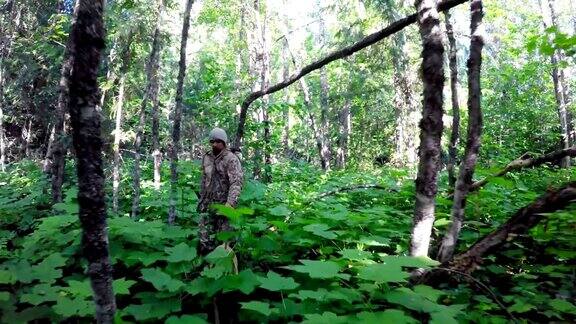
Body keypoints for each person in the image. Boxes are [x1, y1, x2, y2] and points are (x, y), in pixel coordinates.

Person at [197, 127, 243, 256]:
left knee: (224, 239)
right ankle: (206, 264)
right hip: (208, 203)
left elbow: (236, 183)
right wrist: (201, 199)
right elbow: (204, 179)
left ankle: (225, 267)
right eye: (212, 141)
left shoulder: (231, 159)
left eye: (218, 141)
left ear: (224, 142)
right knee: (204, 237)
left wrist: (230, 204)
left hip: (224, 204)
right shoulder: (207, 157)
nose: (214, 144)